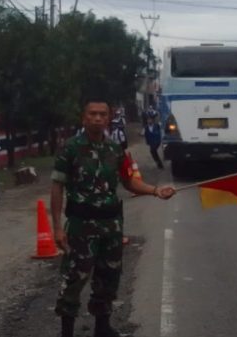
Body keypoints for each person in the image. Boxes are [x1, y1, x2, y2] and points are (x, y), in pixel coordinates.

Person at [52, 97, 176, 337]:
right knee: (74, 277)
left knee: (109, 275)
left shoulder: (114, 149)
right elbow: (57, 186)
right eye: (92, 114)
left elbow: (129, 182)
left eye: (102, 114)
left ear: (109, 118)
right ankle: (67, 331)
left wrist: (155, 191)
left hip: (111, 225)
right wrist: (57, 227)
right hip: (81, 226)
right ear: (84, 118)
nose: (97, 118)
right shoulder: (70, 148)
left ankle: (102, 327)